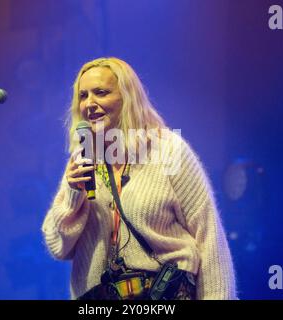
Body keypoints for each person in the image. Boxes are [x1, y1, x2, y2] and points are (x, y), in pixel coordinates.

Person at [42, 57, 237, 300]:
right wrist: (73, 195)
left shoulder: (167, 150)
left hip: (163, 294)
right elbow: (58, 247)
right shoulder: (83, 159)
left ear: (127, 97)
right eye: (83, 96)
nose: (90, 104)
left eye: (101, 93)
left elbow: (209, 238)